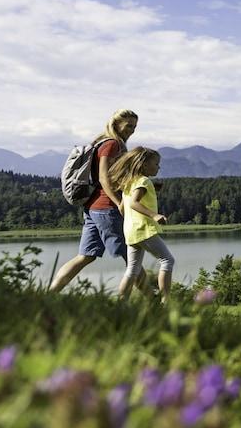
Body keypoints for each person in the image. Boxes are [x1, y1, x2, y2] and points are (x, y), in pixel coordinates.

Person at [50, 109, 139, 292]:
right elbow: (104, 178)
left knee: (85, 256)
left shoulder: (102, 143)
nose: (132, 129)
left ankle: (49, 293)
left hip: (93, 207)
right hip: (106, 208)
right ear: (116, 124)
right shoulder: (112, 144)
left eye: (135, 126)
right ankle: (155, 301)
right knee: (131, 257)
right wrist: (118, 202)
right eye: (129, 125)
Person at [109, 147, 175, 301]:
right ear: (144, 165)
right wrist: (155, 215)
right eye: (156, 164)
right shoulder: (143, 181)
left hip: (131, 231)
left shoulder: (130, 182)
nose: (159, 167)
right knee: (167, 260)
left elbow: (123, 207)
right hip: (143, 230)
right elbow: (133, 203)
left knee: (133, 269)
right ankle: (166, 301)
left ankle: (121, 303)